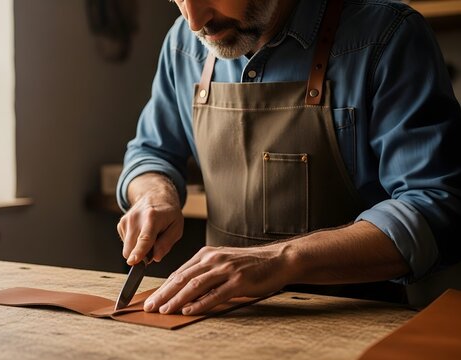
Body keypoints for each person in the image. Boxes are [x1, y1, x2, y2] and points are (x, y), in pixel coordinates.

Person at [115, 0, 461, 315]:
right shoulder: (184, 45)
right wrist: (154, 195)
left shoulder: (386, 37)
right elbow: (151, 152)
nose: (194, 20)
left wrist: (281, 260)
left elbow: (435, 207)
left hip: (355, 324)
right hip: (221, 324)